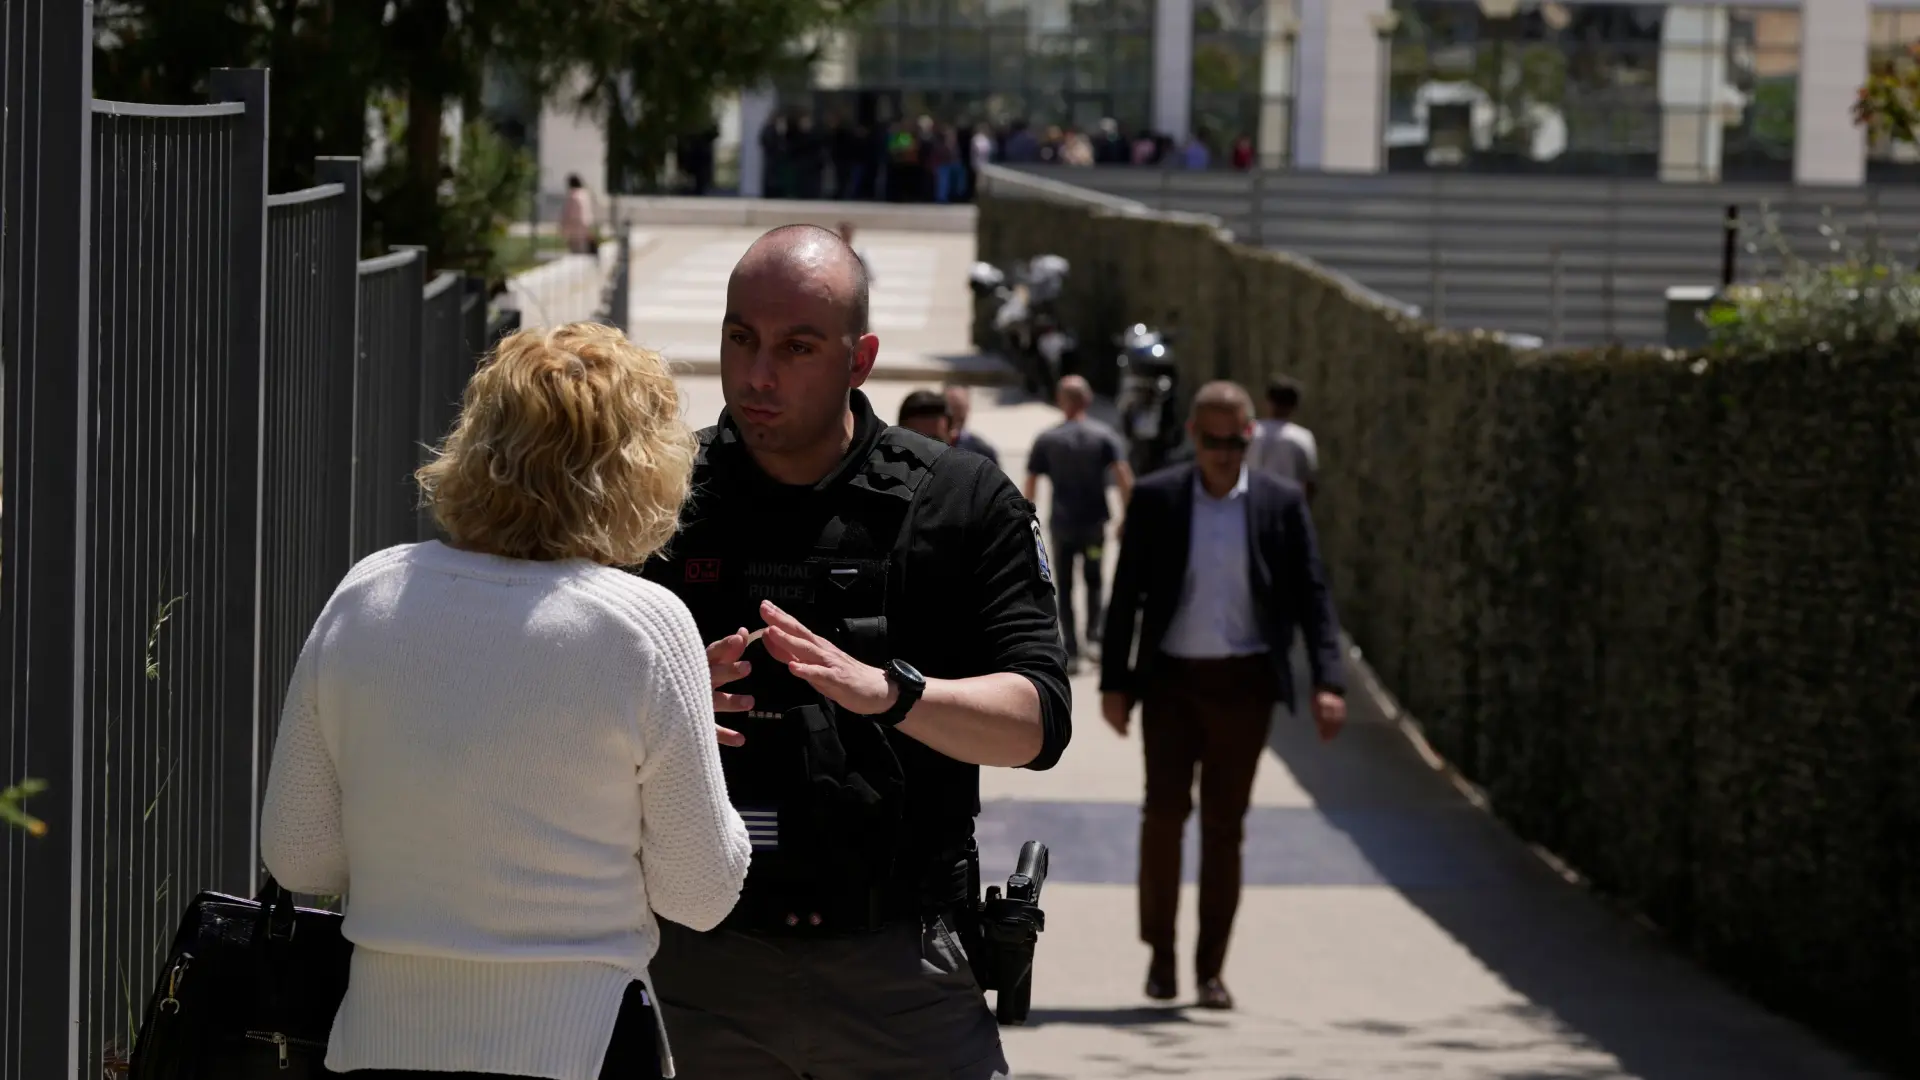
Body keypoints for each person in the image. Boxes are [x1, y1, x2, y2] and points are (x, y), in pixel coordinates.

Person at [260, 323, 753, 1079]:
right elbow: (701, 892)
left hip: (380, 1042)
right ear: (642, 468)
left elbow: (299, 854)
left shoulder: (368, 592)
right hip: (582, 1044)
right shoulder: (642, 624)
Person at [637, 224, 1072, 1079]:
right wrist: (659, 699)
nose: (758, 376)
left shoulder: (959, 501)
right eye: (740, 339)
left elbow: (1038, 724)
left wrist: (892, 694)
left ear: (860, 358)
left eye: (797, 347)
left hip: (903, 968)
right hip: (696, 967)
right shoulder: (654, 498)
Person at [1098, 380, 1346, 1012]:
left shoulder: (1280, 503)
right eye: (1211, 441)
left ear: (1250, 436)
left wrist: (1328, 680)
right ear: (1192, 437)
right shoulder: (1157, 498)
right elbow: (1127, 594)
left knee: (1224, 829)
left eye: (1234, 442)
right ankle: (1160, 953)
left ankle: (1211, 970)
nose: (1223, 453)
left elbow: (1313, 596)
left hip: (1245, 686)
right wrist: (1115, 684)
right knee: (1163, 816)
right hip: (1172, 683)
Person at [1024, 375, 1132, 669]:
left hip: (1063, 528)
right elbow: (1123, 476)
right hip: (1094, 527)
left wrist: (1025, 521)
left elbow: (1031, 482)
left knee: (1065, 584)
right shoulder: (1104, 436)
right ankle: (1094, 638)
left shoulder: (1048, 439)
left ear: (1061, 401)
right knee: (1095, 579)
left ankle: (1071, 646)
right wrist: (1128, 516)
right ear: (1087, 400)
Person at [1247, 374, 1320, 500]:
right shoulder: (1302, 437)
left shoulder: (1250, 432)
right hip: (1287, 503)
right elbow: (1309, 480)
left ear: (1268, 402)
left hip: (1252, 501)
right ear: (1294, 406)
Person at [943, 383, 1000, 466]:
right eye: (951, 408)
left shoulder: (981, 450)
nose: (954, 414)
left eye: (959, 408)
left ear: (968, 408)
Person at [560, 174, 597, 255]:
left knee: (575, 250)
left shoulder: (573, 196)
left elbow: (569, 213)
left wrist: (564, 226)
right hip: (586, 225)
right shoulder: (585, 194)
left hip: (575, 226)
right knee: (583, 248)